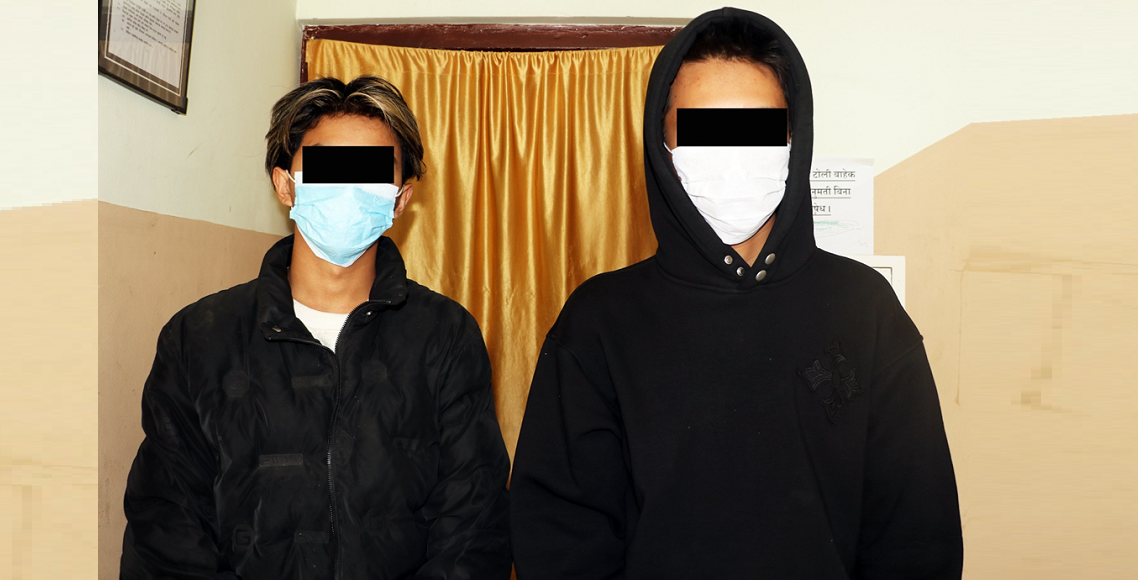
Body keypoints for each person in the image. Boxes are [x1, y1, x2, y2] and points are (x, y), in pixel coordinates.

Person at [510, 8, 962, 579]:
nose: (731, 153)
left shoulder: (865, 308)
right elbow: (560, 535)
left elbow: (917, 532)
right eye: (702, 129)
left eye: (755, 129)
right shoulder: (600, 321)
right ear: (662, 146)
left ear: (793, 140)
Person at [120, 76, 512, 579]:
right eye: (328, 168)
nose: (348, 189)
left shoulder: (445, 337)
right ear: (286, 185)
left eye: (371, 173)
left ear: (400, 199)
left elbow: (473, 527)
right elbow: (167, 526)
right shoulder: (199, 338)